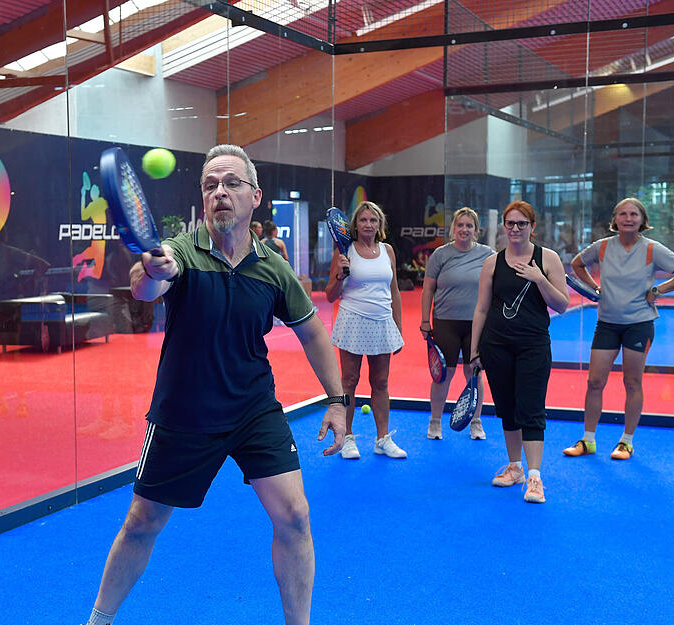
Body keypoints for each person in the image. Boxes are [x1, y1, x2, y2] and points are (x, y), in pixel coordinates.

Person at [85, 144, 346, 625]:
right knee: (142, 522)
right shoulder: (182, 251)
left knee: (295, 516)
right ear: (202, 199)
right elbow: (150, 285)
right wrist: (149, 273)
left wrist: (336, 399)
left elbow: (312, 332)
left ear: (255, 196)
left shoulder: (274, 268)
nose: (220, 193)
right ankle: (98, 620)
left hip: (253, 410)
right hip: (184, 414)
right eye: (210, 186)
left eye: (231, 184)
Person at [470, 201, 568, 503]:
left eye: (521, 224)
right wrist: (474, 350)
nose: (515, 229)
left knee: (532, 408)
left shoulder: (548, 259)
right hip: (496, 346)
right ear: (504, 226)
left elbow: (562, 304)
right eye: (510, 223)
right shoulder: (492, 262)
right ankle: (514, 468)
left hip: (534, 346)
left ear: (532, 227)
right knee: (508, 408)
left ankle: (535, 477)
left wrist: (539, 278)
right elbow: (482, 308)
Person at [563, 198, 674, 460]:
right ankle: (588, 440)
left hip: (639, 324)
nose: (628, 218)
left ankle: (626, 442)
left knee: (632, 382)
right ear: (615, 220)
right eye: (623, 214)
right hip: (607, 325)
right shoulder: (602, 247)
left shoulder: (652, 249)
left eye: (634, 214)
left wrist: (659, 290)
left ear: (642, 220)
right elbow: (578, 264)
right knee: (594, 382)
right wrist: (595, 288)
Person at [325, 200, 407, 460]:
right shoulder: (344, 252)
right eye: (363, 220)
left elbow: (393, 291)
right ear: (355, 225)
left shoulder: (388, 251)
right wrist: (341, 274)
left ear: (379, 224)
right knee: (349, 382)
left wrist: (398, 326)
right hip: (353, 321)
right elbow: (329, 296)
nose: (368, 225)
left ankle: (382, 439)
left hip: (382, 322)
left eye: (373, 220)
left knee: (381, 383)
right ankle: (347, 438)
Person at [420, 207, 494, 441]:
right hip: (445, 323)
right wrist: (424, 320)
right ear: (453, 229)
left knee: (474, 373)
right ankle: (434, 422)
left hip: (476, 324)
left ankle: (476, 422)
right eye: (460, 225)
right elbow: (428, 289)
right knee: (443, 374)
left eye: (469, 226)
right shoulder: (440, 255)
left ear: (476, 230)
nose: (464, 229)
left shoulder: (488, 255)